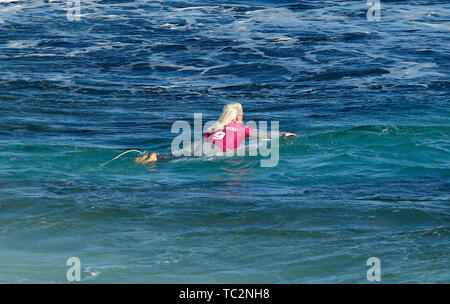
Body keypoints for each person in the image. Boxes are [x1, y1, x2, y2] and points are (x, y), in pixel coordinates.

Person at [135, 102, 296, 164]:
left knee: (179, 154)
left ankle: (151, 156)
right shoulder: (244, 128)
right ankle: (155, 159)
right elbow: (265, 133)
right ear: (238, 116)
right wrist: (283, 134)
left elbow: (204, 139)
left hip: (199, 143)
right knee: (187, 159)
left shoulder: (216, 126)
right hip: (214, 150)